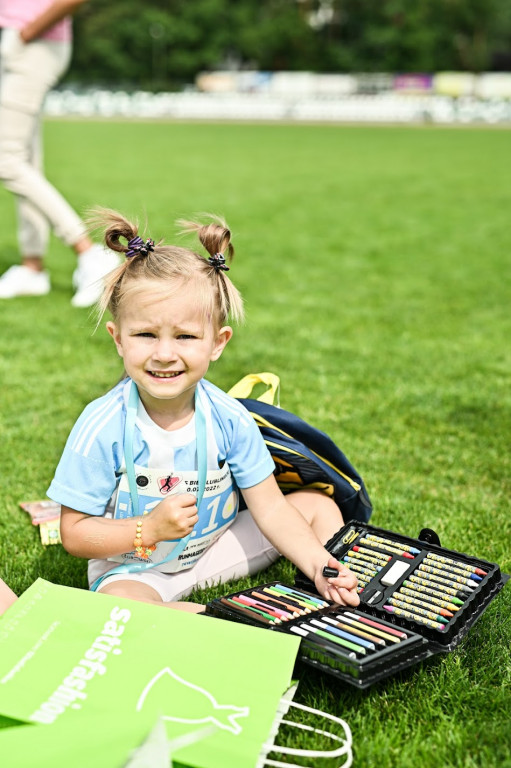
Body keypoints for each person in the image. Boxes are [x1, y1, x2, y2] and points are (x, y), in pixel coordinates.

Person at [47, 209, 359, 612]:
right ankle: (205, 621)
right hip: (135, 571)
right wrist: (149, 529)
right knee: (125, 609)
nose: (164, 353)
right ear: (118, 338)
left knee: (317, 507)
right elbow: (74, 533)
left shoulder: (228, 416)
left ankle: (335, 586)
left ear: (217, 342)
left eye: (185, 336)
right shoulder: (102, 425)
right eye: (145, 334)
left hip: (214, 549)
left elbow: (271, 507)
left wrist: (319, 564)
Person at [0, 1, 120, 306]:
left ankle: (89, 251)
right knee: (24, 158)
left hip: (33, 42)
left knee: (5, 158)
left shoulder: (29, 36)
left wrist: (27, 32)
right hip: (20, 40)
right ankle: (32, 267)